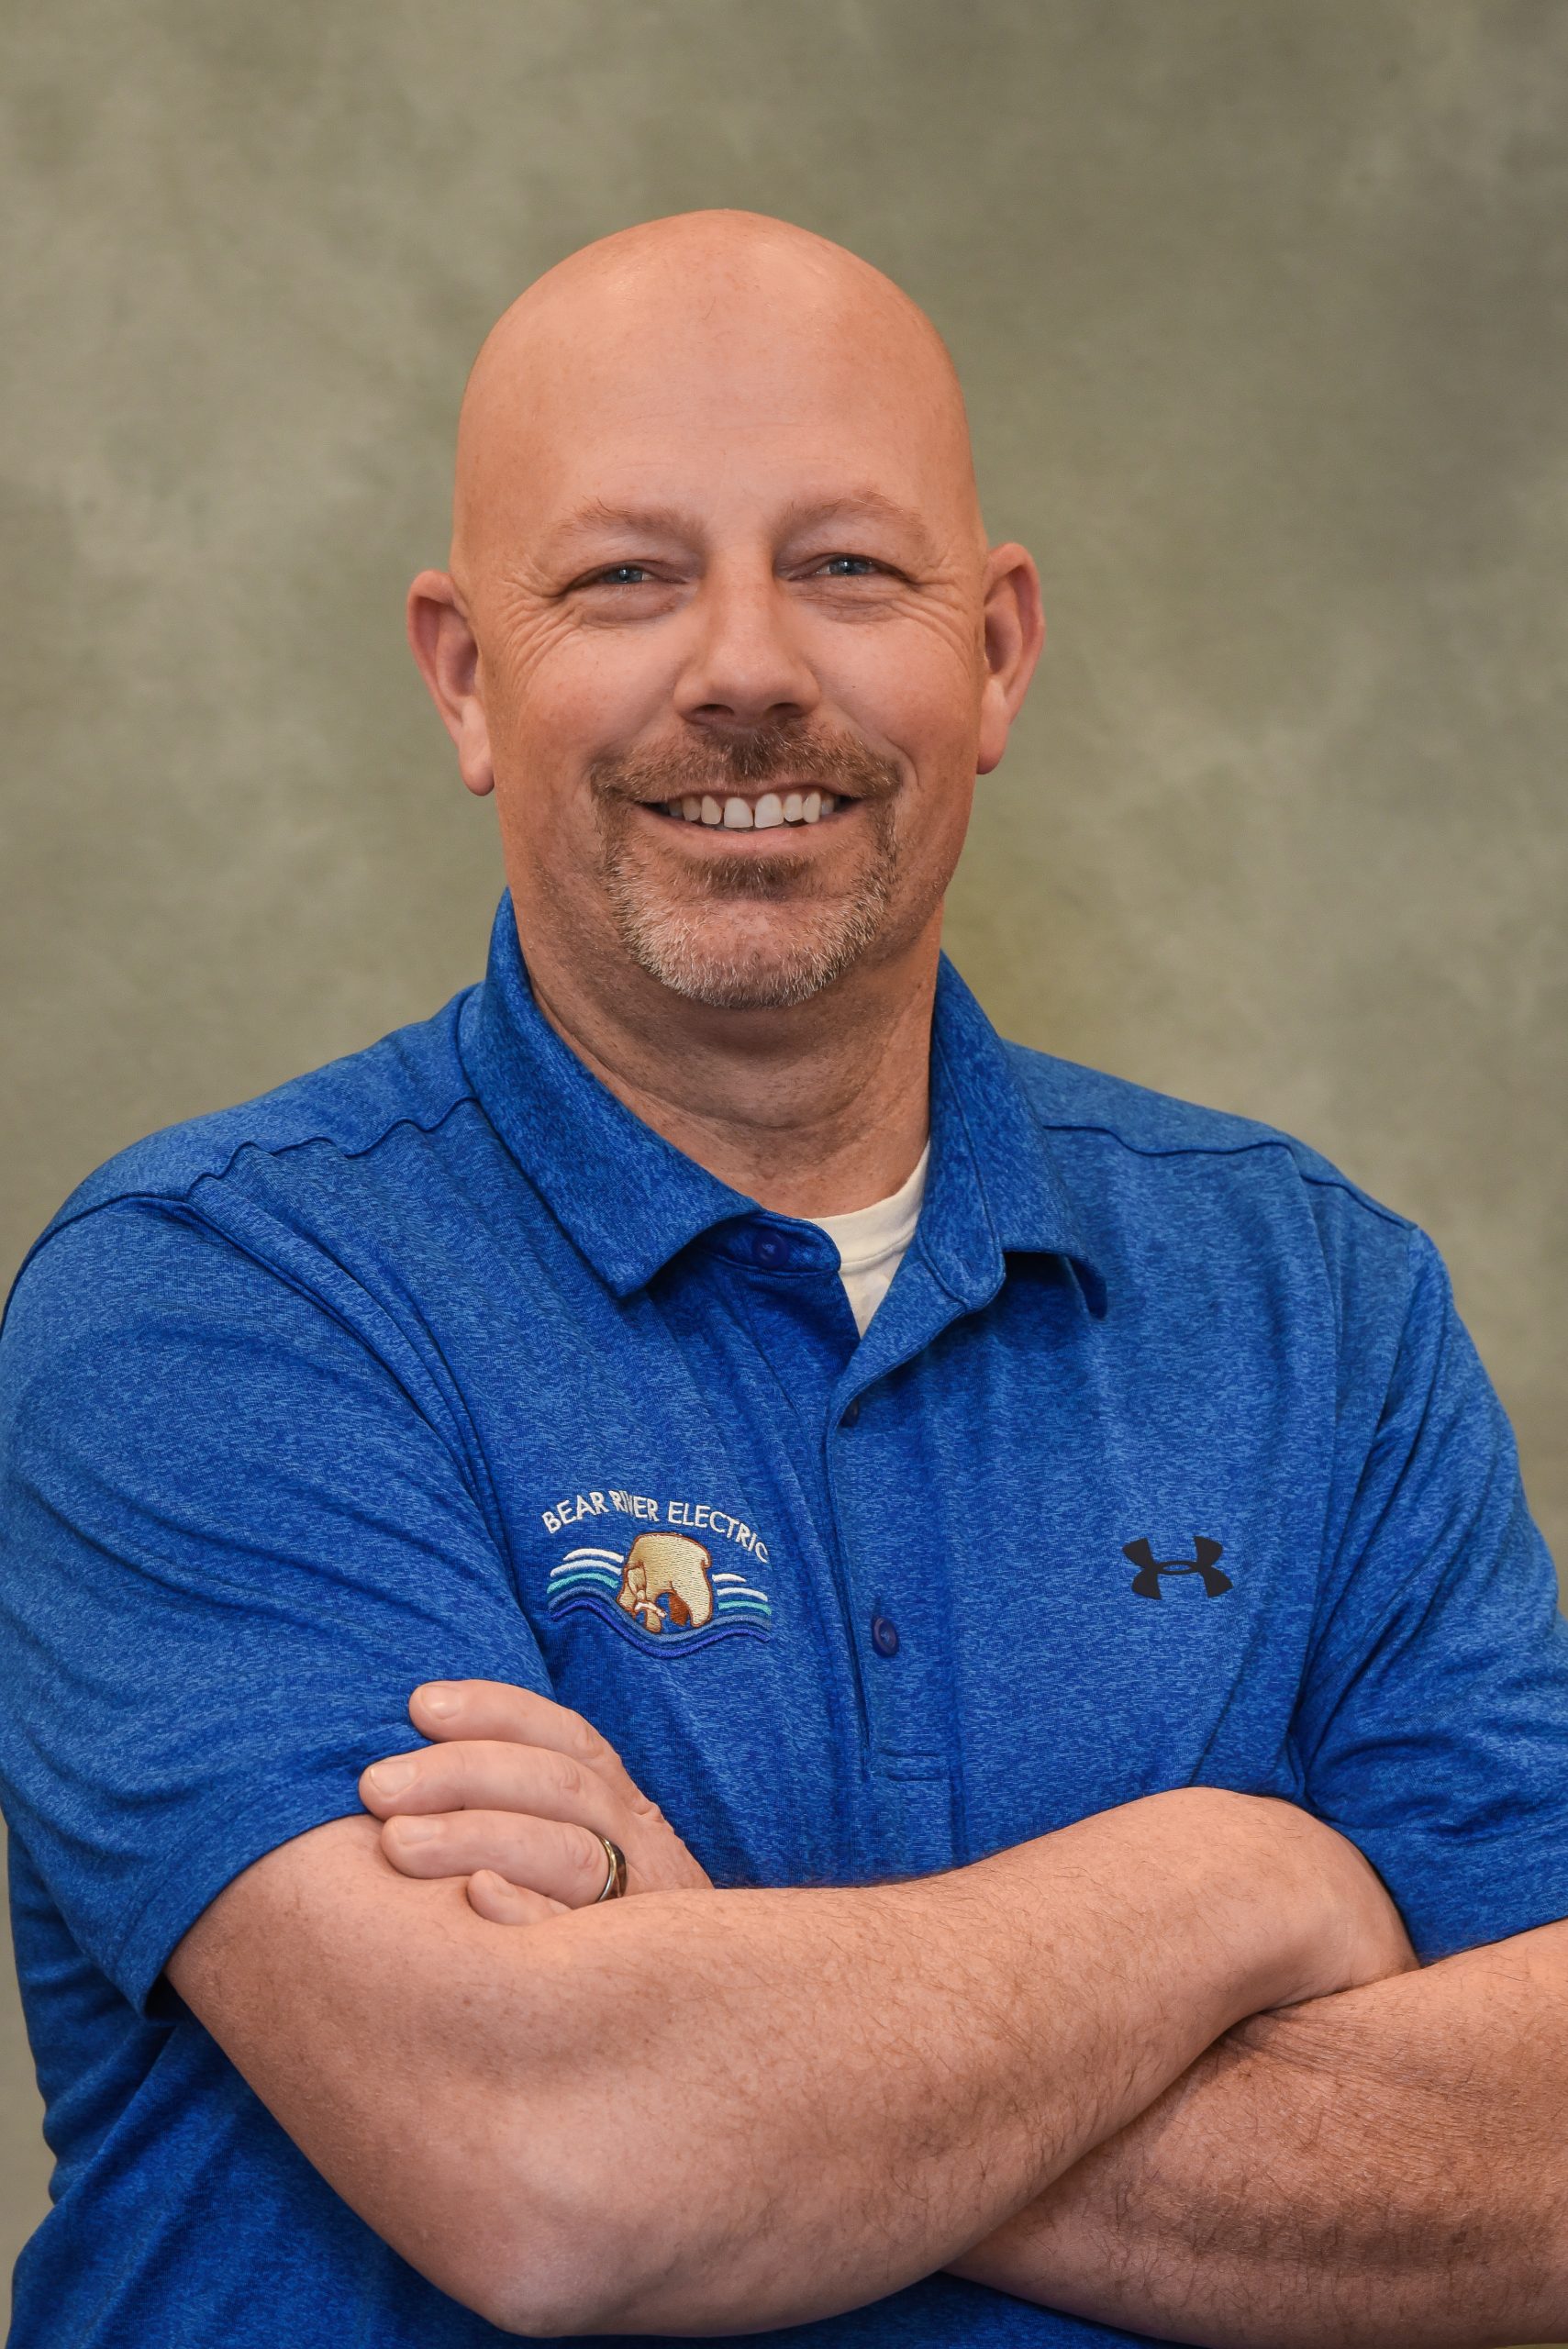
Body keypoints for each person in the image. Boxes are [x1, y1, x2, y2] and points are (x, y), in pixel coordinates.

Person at [1, 209, 1565, 2349]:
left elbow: (1540, 2171)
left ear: (996, 651)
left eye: (844, 566)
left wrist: (718, 2008)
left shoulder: (1321, 1306)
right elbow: (561, 2167)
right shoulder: (209, 1308)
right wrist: (1236, 1877)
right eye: (626, 578)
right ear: (464, 675)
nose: (746, 668)